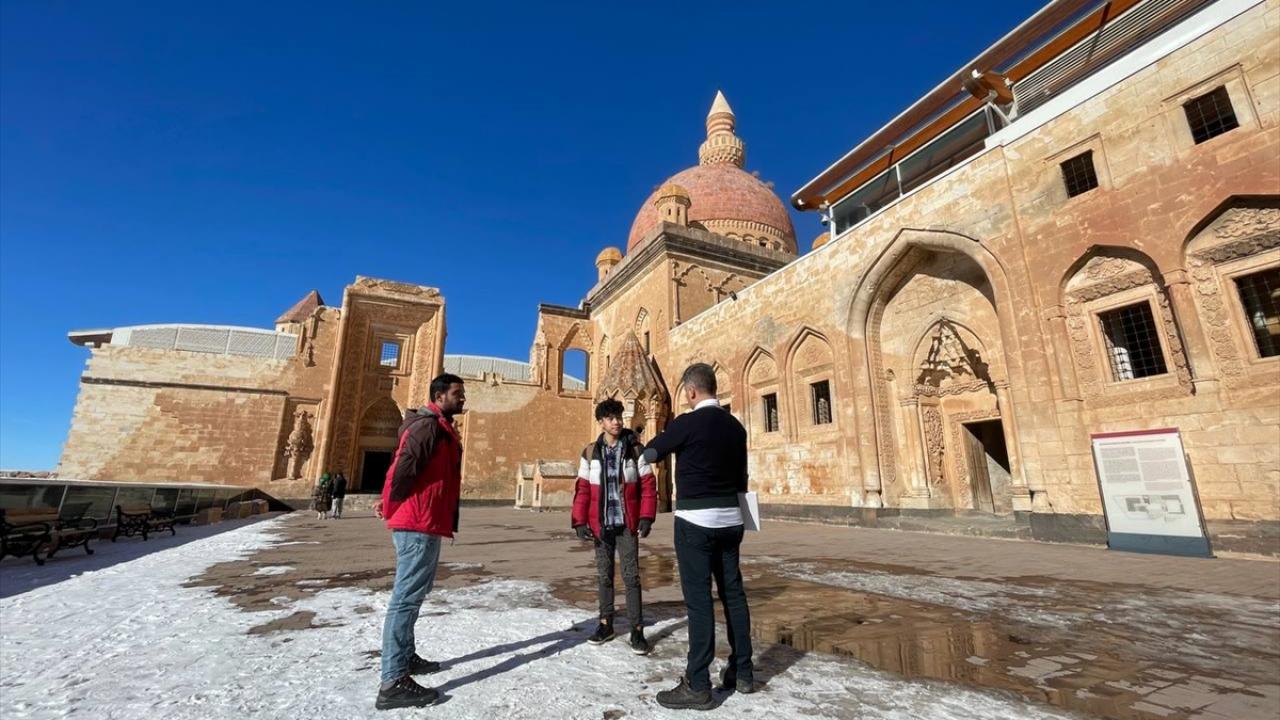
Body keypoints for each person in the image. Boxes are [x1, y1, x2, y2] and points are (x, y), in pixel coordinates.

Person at [643, 363, 754, 711]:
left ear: (690, 391)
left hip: (696, 522)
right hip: (732, 520)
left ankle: (698, 683)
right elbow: (743, 476)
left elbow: (651, 452)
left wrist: (643, 450)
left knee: (699, 600)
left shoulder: (686, 423)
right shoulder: (736, 427)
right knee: (733, 593)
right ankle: (743, 671)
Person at [375, 373, 466, 710]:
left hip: (426, 522)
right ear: (439, 396)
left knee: (413, 596)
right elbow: (402, 467)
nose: (462, 398)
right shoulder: (427, 427)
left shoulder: (438, 427)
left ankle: (405, 657)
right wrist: (391, 504)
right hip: (417, 522)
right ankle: (392, 681)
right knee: (405, 599)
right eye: (457, 393)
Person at [570, 398, 658, 655]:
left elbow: (648, 484)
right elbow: (583, 488)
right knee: (604, 575)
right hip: (601, 525)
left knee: (631, 576)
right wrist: (579, 520)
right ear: (601, 422)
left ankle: (637, 629)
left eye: (619, 417)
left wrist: (646, 517)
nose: (617, 422)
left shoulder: (635, 450)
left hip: (626, 524)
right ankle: (605, 624)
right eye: (610, 418)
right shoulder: (590, 453)